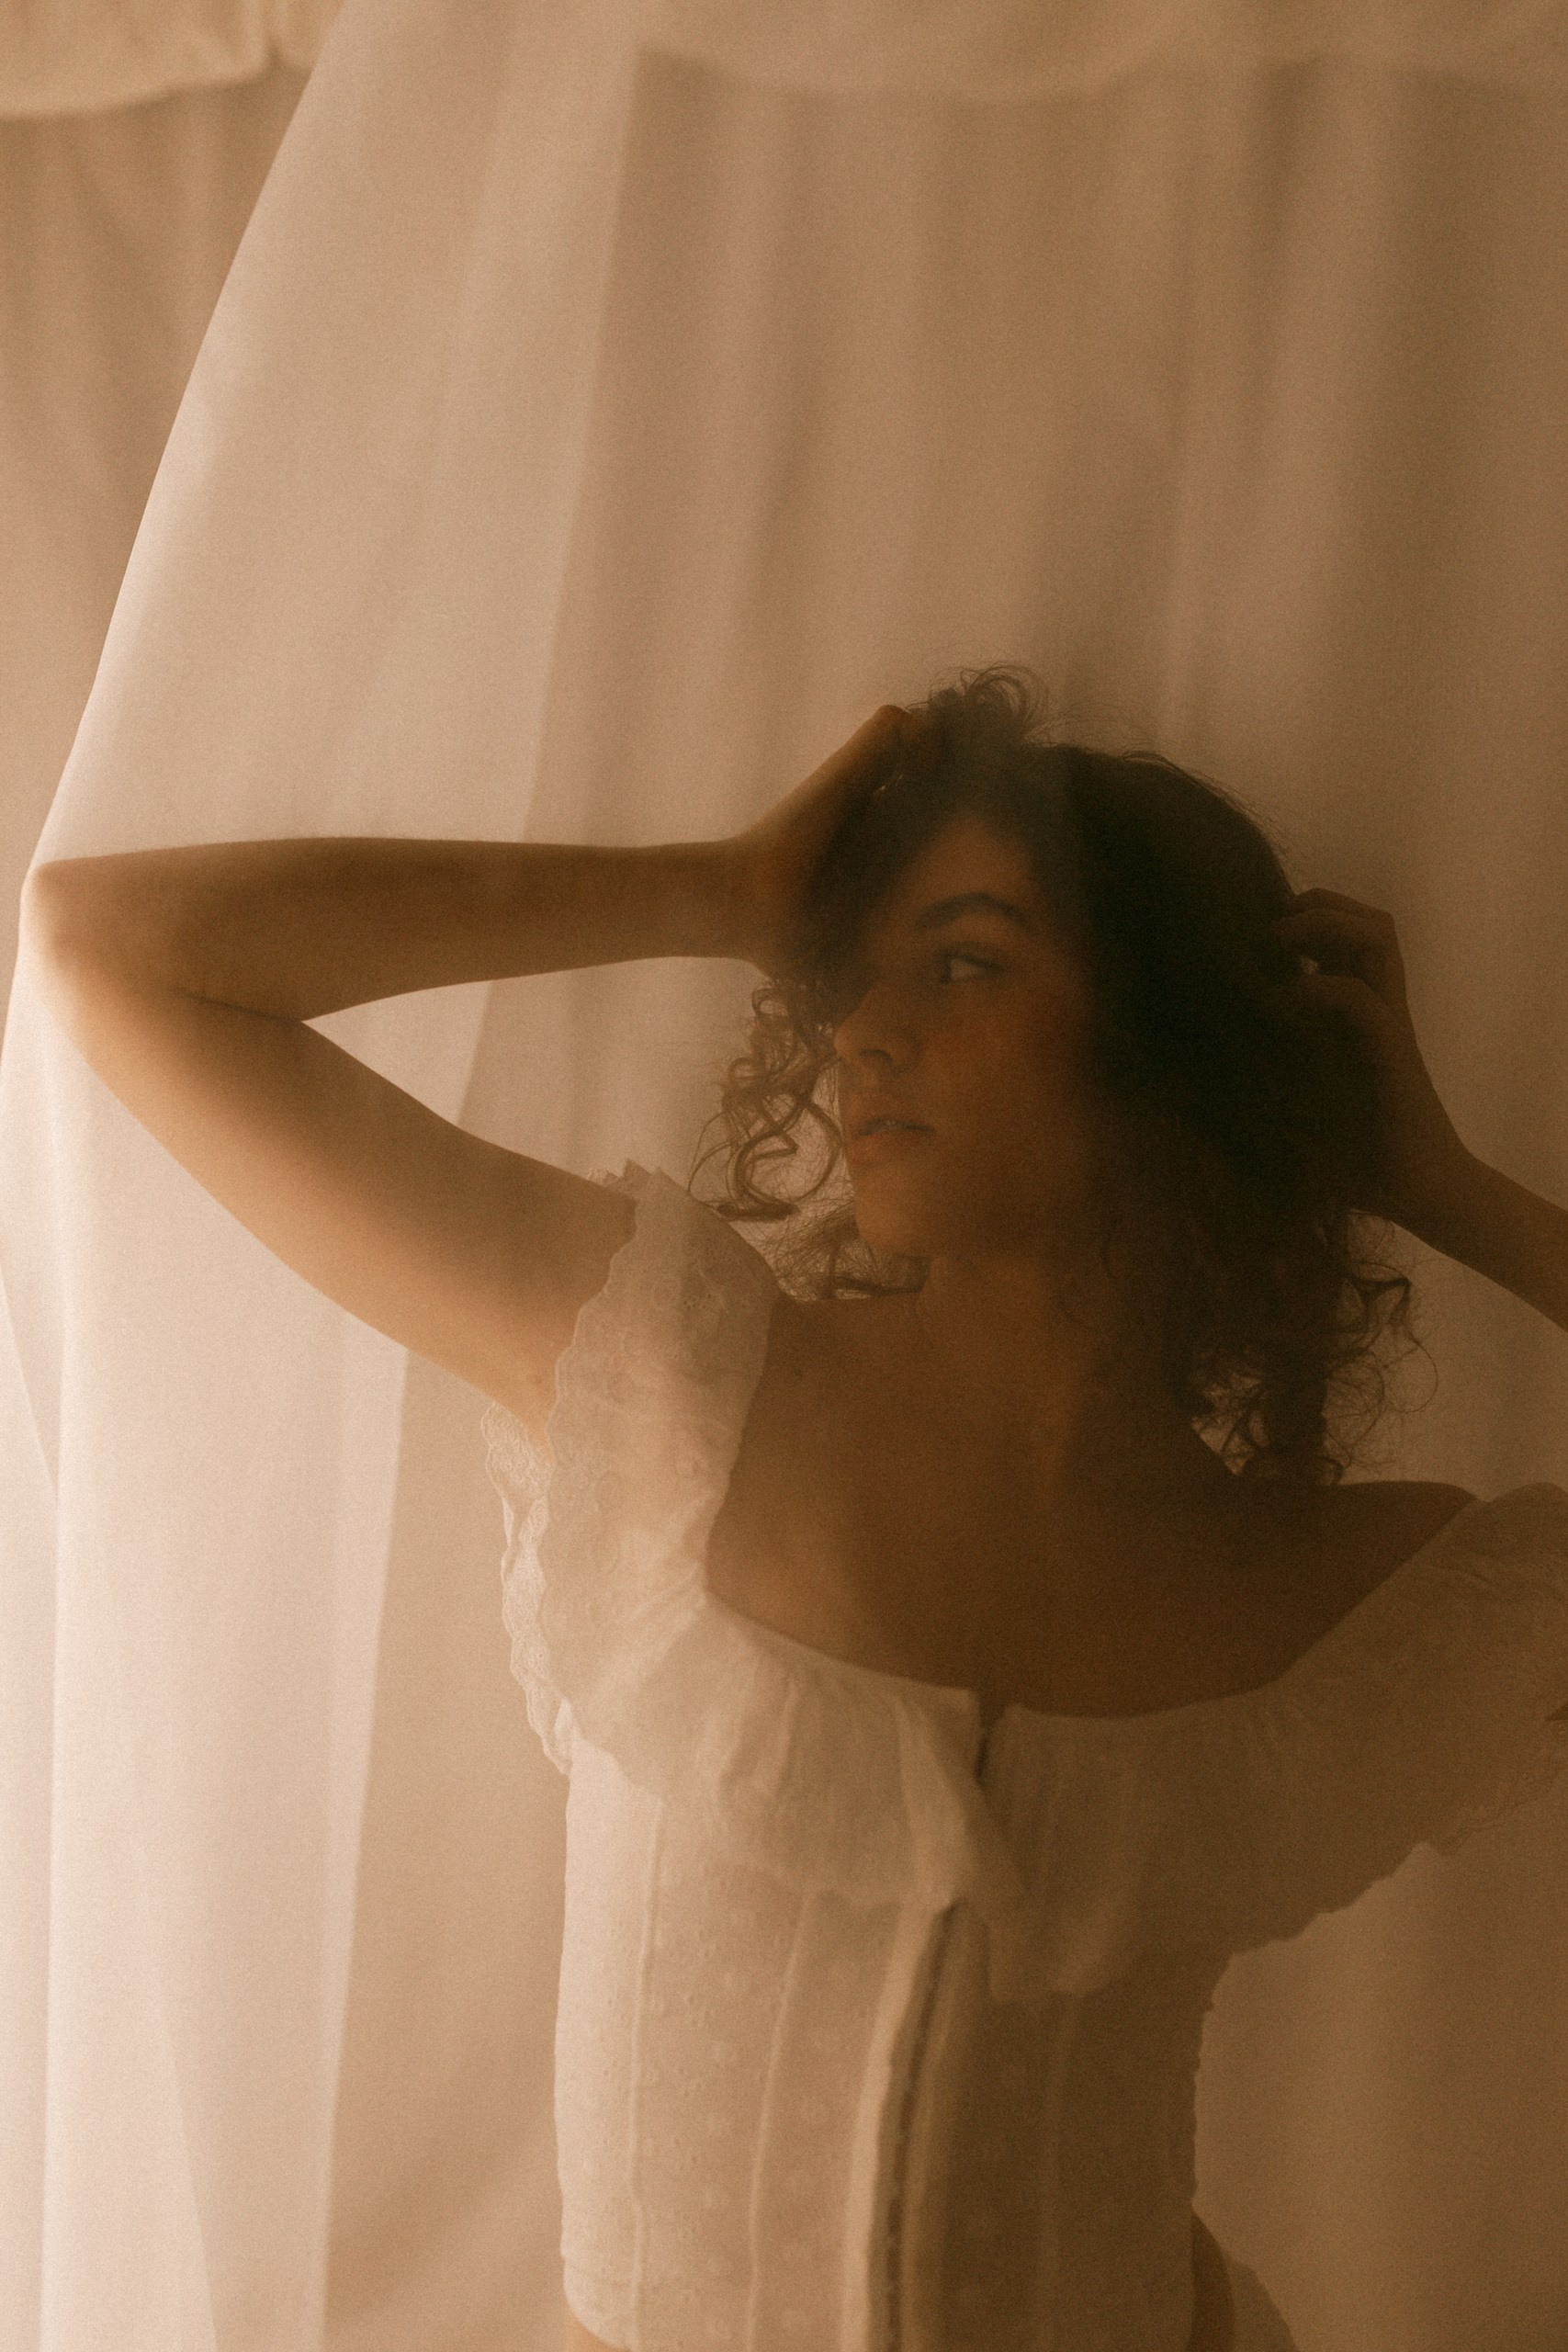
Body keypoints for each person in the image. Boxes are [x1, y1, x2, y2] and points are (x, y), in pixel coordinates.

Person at [20, 673, 1568, 2351]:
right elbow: (110, 951)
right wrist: (713, 893)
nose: (864, 1032)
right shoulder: (667, 1376)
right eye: (859, 974)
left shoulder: (1346, 1603)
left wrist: (1445, 1184)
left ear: (1170, 1039)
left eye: (963, 963)